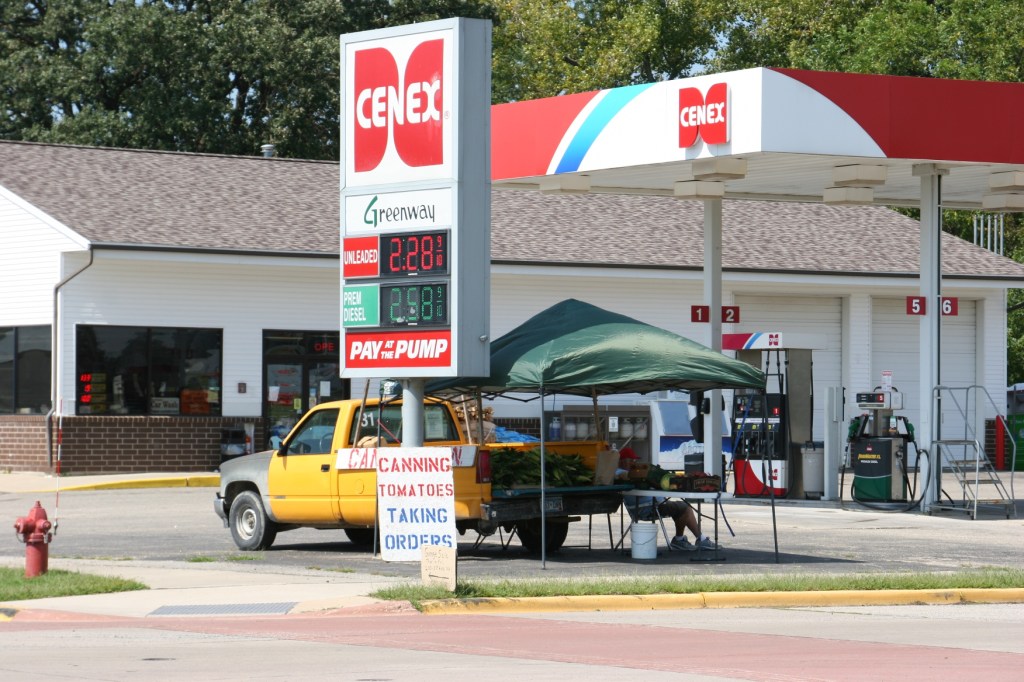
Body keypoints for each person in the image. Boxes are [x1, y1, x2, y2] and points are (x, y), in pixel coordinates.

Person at [617, 446, 719, 552]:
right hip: (647, 508)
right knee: (684, 508)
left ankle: (688, 539)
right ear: (623, 462)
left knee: (681, 507)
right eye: (631, 460)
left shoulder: (632, 473)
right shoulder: (622, 473)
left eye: (634, 460)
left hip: (652, 505)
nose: (634, 462)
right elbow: (635, 485)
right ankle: (689, 539)